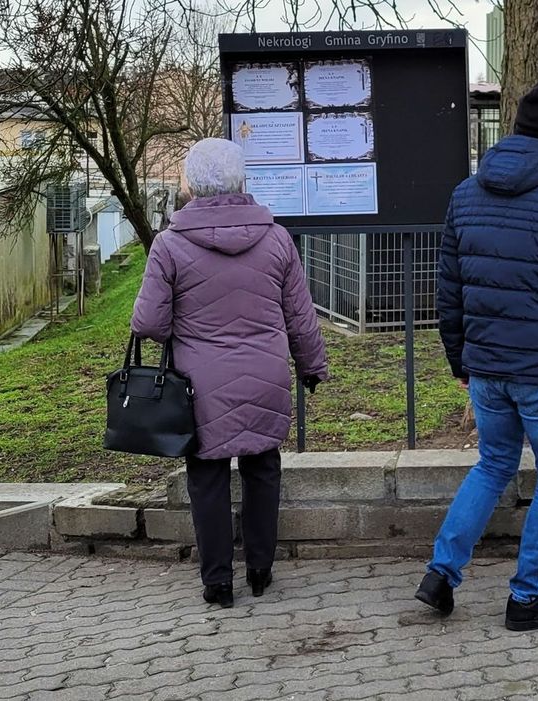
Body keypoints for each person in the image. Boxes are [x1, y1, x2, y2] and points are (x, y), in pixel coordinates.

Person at [415, 83, 538, 631]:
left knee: (493, 465)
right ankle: (528, 597)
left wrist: (460, 359)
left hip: (487, 368)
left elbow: (449, 288)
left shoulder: (466, 193)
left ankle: (440, 573)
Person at [132, 138, 329, 608]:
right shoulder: (277, 237)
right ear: (243, 180)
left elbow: (149, 324)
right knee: (263, 467)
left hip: (200, 385)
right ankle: (261, 569)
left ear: (192, 183)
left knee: (207, 476)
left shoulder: (170, 244)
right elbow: (301, 315)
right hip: (266, 374)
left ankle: (218, 581)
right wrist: (312, 366)